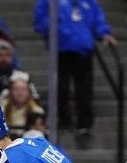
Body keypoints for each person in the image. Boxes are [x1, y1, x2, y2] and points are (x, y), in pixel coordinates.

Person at [33, 0, 115, 136]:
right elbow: (40, 21)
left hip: (83, 50)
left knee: (84, 88)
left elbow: (98, 20)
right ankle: (63, 120)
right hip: (60, 50)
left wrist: (104, 33)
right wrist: (54, 26)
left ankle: (85, 122)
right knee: (61, 87)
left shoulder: (89, 2)